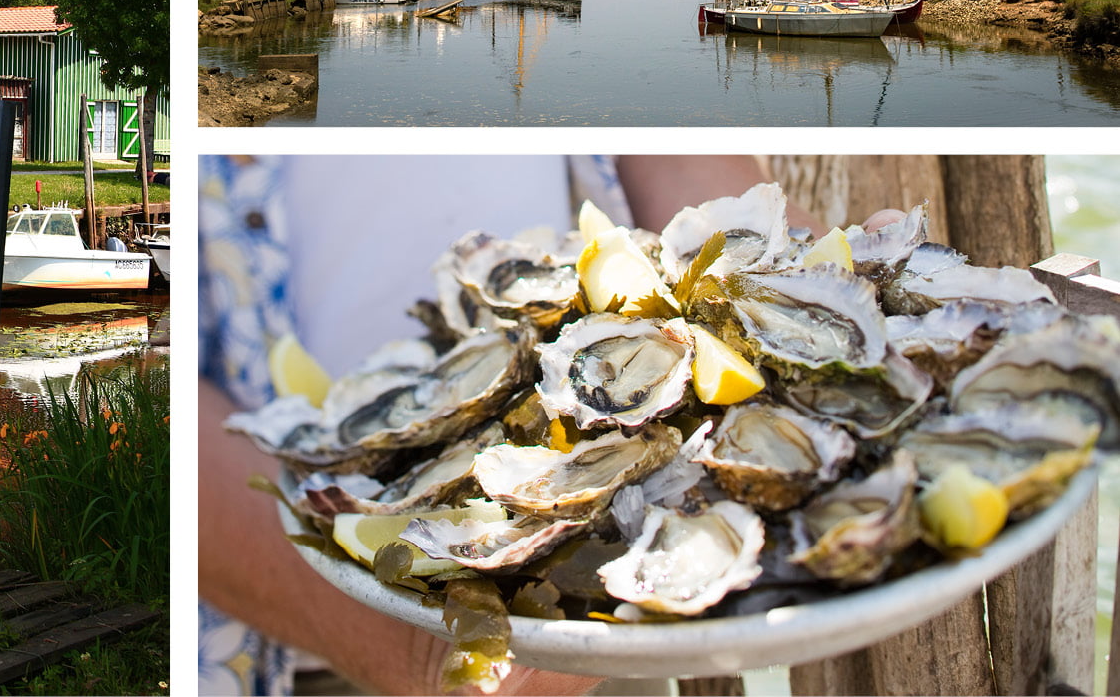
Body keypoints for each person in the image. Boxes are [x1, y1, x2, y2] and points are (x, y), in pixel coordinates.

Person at [198, 155, 893, 696]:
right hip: (297, 657)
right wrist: (407, 647)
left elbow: (678, 157)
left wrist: (804, 277)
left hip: (599, 578)